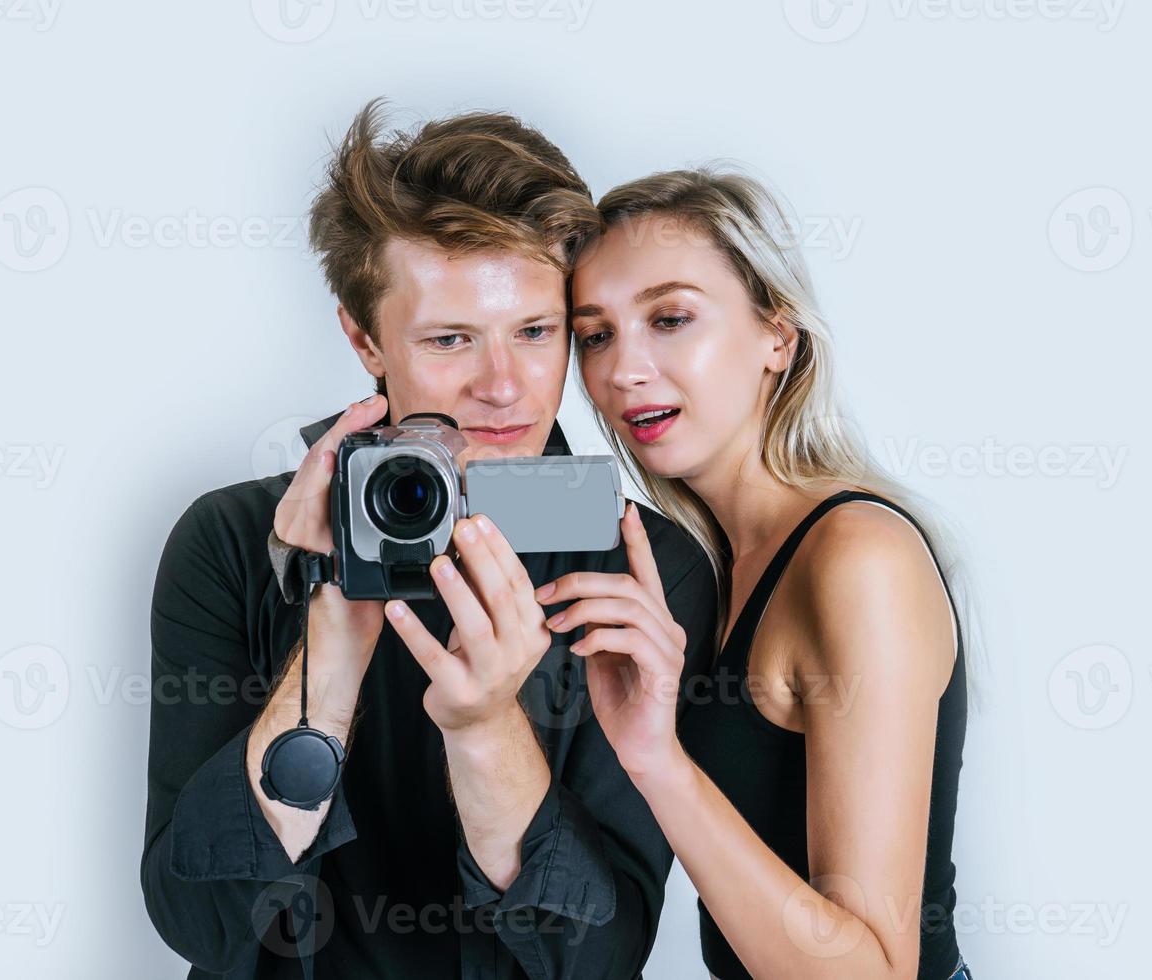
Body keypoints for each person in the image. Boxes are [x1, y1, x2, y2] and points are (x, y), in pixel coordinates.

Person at [139, 100, 718, 979]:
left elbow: (598, 961)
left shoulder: (641, 567)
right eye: (451, 339)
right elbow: (203, 921)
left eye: (536, 332)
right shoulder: (229, 541)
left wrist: (486, 729)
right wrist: (328, 649)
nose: (504, 386)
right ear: (365, 338)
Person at [541, 168, 974, 979]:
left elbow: (875, 972)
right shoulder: (697, 559)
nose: (625, 369)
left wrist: (657, 761)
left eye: (670, 318)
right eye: (594, 335)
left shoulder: (855, 558)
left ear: (778, 336)